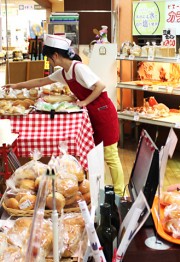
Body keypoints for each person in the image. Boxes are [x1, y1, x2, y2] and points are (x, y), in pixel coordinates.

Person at [3, 34, 124, 196]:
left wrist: (84, 102)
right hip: (93, 115)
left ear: (56, 56)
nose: (50, 62)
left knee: (111, 156)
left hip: (103, 113)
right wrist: (17, 85)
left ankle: (120, 193)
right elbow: (41, 82)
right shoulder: (64, 73)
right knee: (95, 155)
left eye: (50, 59)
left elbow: (100, 86)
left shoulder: (78, 68)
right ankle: (98, 191)